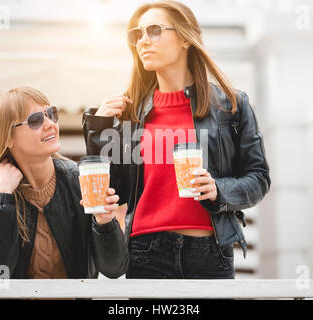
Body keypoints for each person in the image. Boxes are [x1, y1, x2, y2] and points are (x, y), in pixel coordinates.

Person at [82, 1, 270, 279]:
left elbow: (258, 179)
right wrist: (99, 131)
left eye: (154, 30)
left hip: (211, 250)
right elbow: (113, 191)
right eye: (138, 34)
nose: (143, 41)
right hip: (147, 250)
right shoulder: (131, 113)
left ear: (184, 37)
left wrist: (218, 189)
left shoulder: (231, 105)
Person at [0, 86, 128, 279]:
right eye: (35, 120)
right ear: (7, 138)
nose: (50, 124)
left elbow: (114, 269)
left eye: (51, 114)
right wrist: (3, 197)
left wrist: (104, 223)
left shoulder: (79, 181)